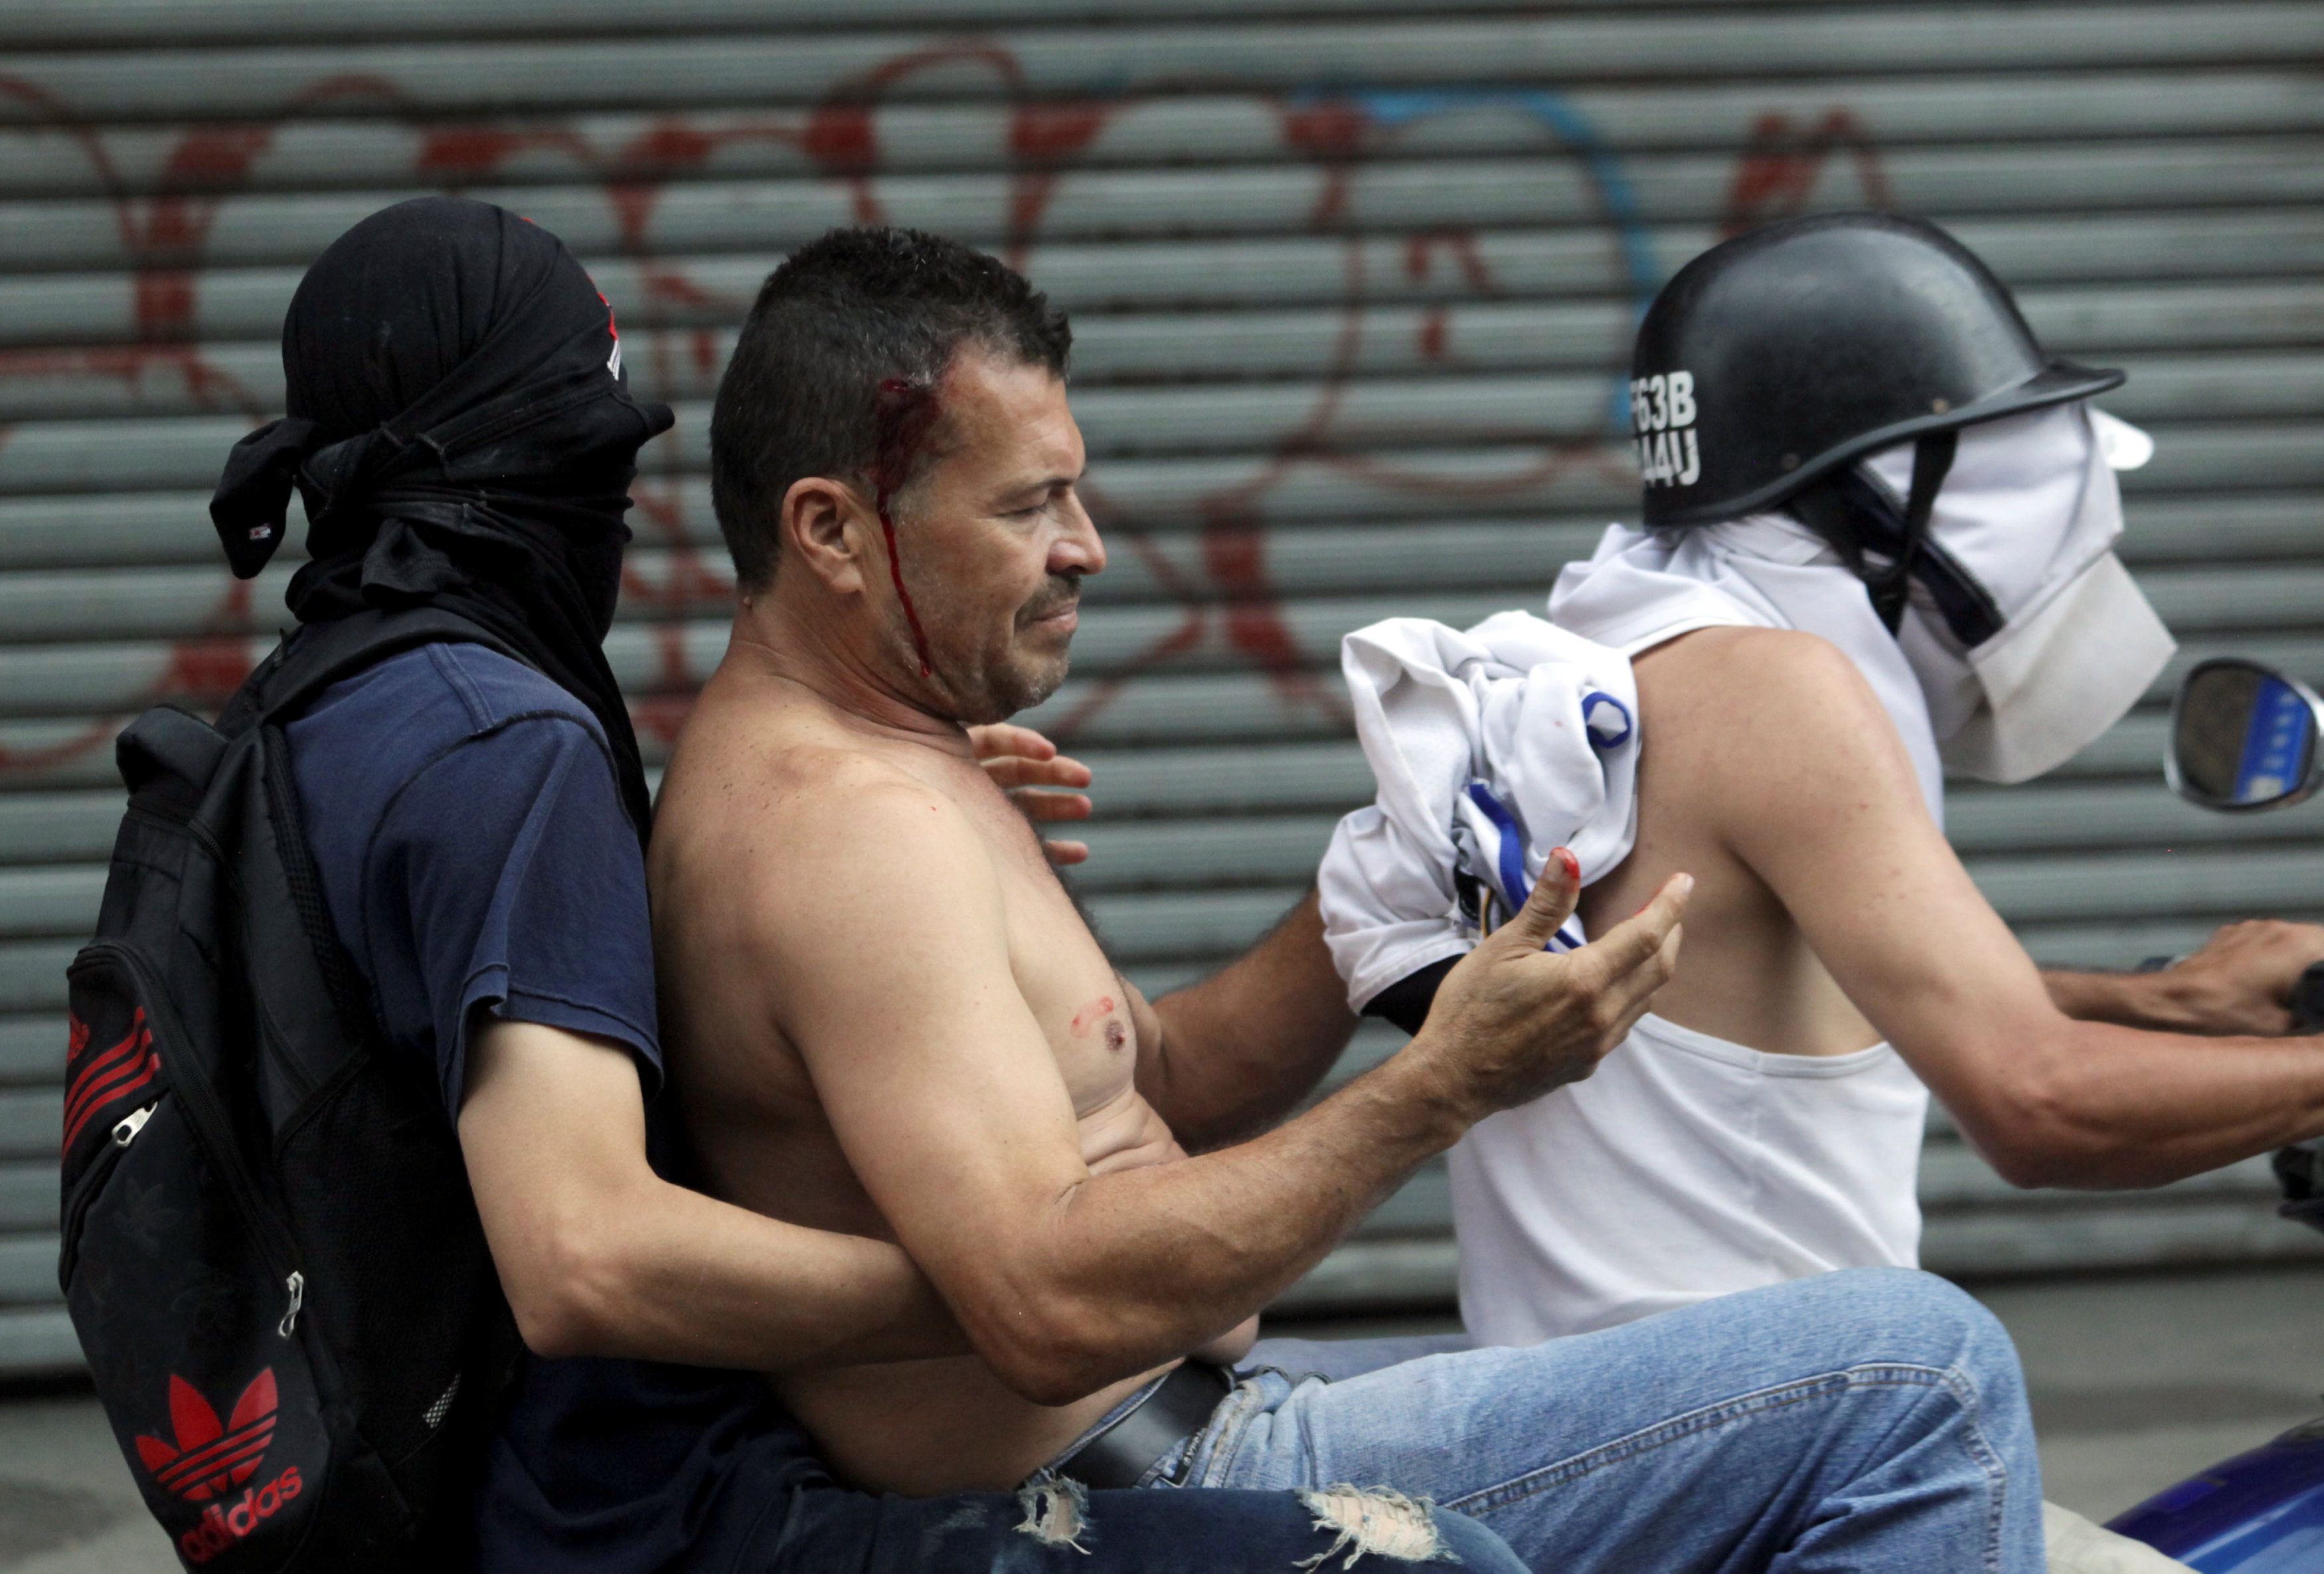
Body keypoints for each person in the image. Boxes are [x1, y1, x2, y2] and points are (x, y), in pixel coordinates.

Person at [649, 221, 2053, 1572]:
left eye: (1073, 488)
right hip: (1143, 1481)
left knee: (1756, 1349)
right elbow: (1044, 1302)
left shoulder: (894, 755)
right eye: (1026, 506)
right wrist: (1446, 1084)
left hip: (1189, 1415)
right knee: (1917, 1374)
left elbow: (1168, 1080)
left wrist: (1392, 863)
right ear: (831, 530)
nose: (1083, 545)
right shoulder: (850, 834)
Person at [216, 196, 1550, 1574]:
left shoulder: (328, 708)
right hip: (624, 1516)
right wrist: (1028, 1284)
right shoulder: (509, 746)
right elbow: (582, 1255)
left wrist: (1382, 886)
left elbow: (1150, 1073)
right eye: (593, 473)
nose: (613, 522)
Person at [1321, 212, 2324, 1353]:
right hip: (1765, 1463)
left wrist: (2167, 1001)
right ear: (1887, 489)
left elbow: (1767, 999)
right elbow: (2040, 1102)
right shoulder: (1778, 691)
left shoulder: (1623, 655)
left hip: (1619, 1434)